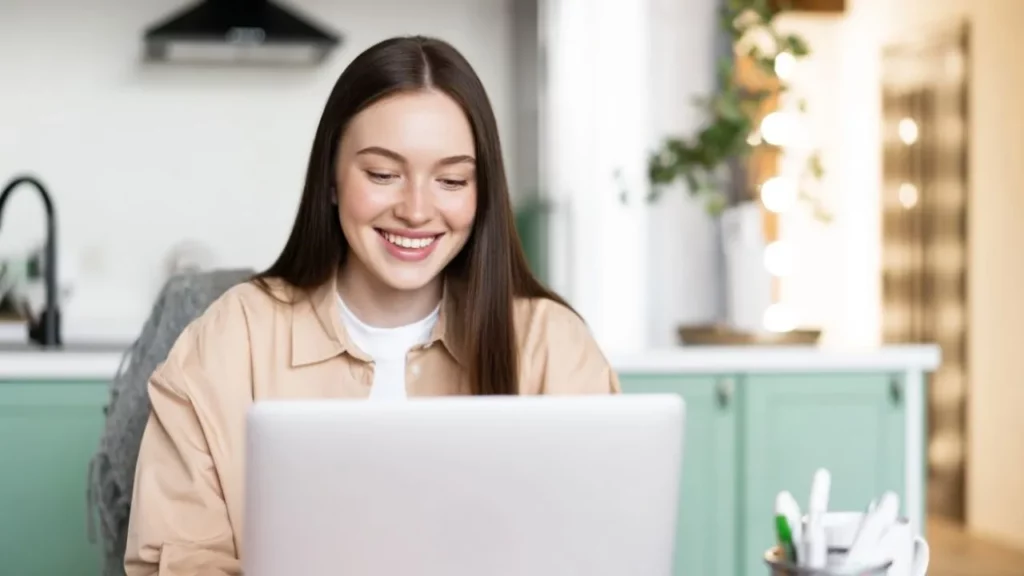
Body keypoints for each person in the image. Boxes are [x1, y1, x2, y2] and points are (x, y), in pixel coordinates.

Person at [123, 35, 620, 575]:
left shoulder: (553, 346)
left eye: (452, 180)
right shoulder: (230, 338)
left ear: (482, 193)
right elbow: (172, 562)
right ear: (332, 180)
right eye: (382, 174)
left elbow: (607, 553)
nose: (415, 210)